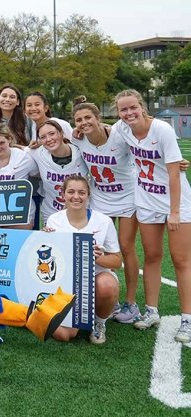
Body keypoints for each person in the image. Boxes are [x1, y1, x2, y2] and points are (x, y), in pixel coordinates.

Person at [113, 89, 191, 342]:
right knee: (152, 256)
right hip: (146, 200)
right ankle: (152, 311)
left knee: (180, 260)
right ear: (118, 112)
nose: (129, 113)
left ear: (141, 106)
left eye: (133, 107)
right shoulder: (121, 129)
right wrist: (77, 133)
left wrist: (174, 212)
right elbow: (102, 134)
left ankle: (187, 319)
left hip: (174, 201)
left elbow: (174, 174)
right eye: (123, 109)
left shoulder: (162, 130)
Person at [71, 100, 140, 324]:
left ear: (98, 117)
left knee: (126, 247)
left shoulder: (119, 136)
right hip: (101, 198)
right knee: (102, 248)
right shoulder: (77, 138)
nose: (83, 123)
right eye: (79, 120)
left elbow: (145, 149)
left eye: (87, 118)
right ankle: (111, 299)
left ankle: (131, 302)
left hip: (127, 197)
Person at [44, 175, 121, 344]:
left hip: (96, 278)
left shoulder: (103, 221)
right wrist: (44, 239)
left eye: (81, 192)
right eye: (71, 192)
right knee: (63, 335)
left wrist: (96, 258)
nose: (76, 197)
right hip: (66, 283)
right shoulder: (54, 220)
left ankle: (99, 323)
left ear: (88, 195)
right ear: (63, 194)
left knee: (107, 285)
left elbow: (117, 262)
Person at [28, 120, 87, 225]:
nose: (48, 139)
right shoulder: (37, 153)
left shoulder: (81, 151)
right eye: (43, 137)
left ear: (61, 133)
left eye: (52, 133)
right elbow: (13, 150)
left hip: (81, 211)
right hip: (52, 212)